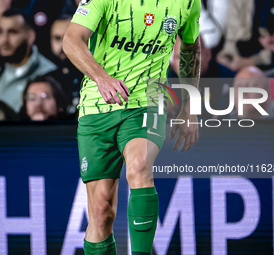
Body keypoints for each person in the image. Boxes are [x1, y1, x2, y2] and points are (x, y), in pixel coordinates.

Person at [63, 0, 201, 254]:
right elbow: (71, 40)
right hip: (97, 105)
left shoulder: (188, 2)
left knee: (139, 167)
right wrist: (102, 78)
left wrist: (190, 108)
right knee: (101, 212)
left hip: (148, 101)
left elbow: (191, 49)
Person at [0, 8, 57, 113]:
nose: (4, 40)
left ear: (30, 36)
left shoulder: (51, 74)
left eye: (12, 32)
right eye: (0, 32)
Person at [49, 15, 83, 116]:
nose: (63, 45)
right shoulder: (46, 77)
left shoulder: (92, 75)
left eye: (69, 38)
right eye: (57, 38)